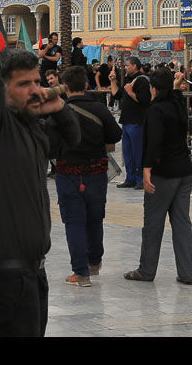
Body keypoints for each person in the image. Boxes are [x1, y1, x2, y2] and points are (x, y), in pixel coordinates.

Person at [0, 0, 80, 337]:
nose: (35, 90)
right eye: (24, 84)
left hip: (31, 272)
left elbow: (71, 141)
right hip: (4, 275)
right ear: (3, 90)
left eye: (37, 82)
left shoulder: (30, 126)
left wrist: (58, 108)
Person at [124, 67, 192, 286]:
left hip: (164, 173)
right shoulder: (177, 105)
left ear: (154, 89)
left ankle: (146, 270)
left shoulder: (156, 110)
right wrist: (176, 86)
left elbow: (154, 142)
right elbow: (175, 94)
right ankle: (187, 273)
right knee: (182, 223)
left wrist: (146, 169)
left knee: (153, 223)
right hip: (185, 172)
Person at [54, 65, 121, 287]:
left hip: (68, 173)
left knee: (74, 222)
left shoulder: (59, 110)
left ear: (65, 87)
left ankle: (81, 274)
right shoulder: (99, 108)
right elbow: (115, 134)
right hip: (96, 172)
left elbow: (50, 145)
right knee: (95, 218)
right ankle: (94, 262)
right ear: (85, 84)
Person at [115, 57, 150, 189]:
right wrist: (113, 81)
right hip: (127, 120)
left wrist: (130, 92)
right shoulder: (128, 79)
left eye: (128, 65)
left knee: (138, 152)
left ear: (135, 66)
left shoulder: (141, 80)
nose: (125, 67)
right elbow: (117, 95)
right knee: (127, 152)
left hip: (137, 121)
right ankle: (130, 178)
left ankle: (141, 178)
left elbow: (144, 100)